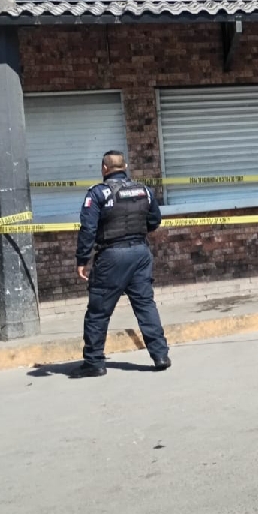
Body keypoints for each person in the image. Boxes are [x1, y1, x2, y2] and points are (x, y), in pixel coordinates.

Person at [73, 151, 170, 378]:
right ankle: (160, 355)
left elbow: (88, 229)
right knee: (145, 305)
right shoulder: (144, 190)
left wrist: (82, 260)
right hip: (140, 253)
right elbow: (155, 220)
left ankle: (94, 362)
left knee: (98, 311)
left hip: (112, 257)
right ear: (125, 165)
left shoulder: (97, 193)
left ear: (104, 168)